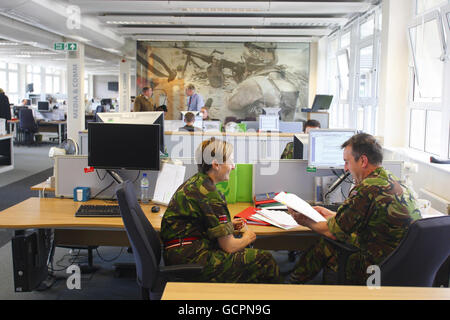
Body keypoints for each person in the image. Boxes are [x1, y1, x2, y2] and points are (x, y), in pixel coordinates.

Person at [286, 133, 421, 285]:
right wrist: (332, 215)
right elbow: (363, 219)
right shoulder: (392, 180)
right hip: (402, 264)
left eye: (347, 162)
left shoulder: (367, 188)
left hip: (377, 268)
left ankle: (291, 286)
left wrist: (305, 220)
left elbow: (333, 232)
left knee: (326, 244)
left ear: (363, 161)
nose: (345, 168)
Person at [161, 138, 280, 283]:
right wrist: (248, 237)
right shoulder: (210, 194)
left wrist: (228, 226)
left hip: (179, 253)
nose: (234, 166)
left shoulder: (196, 182)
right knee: (264, 259)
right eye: (231, 161)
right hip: (191, 259)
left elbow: (202, 224)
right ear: (216, 164)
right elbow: (229, 246)